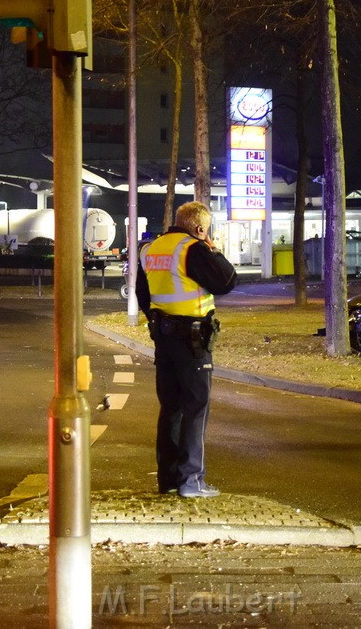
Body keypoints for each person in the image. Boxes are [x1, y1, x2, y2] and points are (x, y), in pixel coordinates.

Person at [136, 201, 237, 498]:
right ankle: (192, 481)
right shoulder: (192, 248)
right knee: (196, 407)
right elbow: (227, 281)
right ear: (200, 227)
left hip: (163, 337)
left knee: (171, 408)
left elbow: (144, 294)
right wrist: (212, 248)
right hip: (193, 340)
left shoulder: (151, 249)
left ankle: (168, 480)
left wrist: (161, 319)